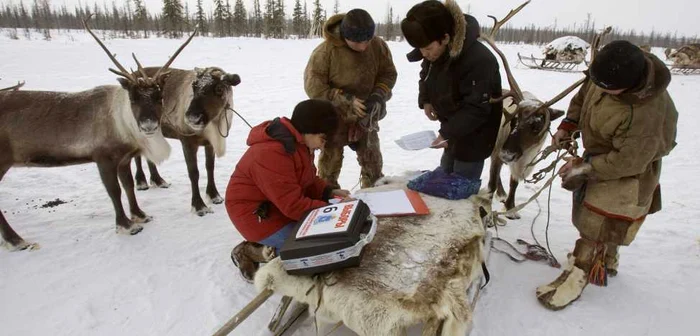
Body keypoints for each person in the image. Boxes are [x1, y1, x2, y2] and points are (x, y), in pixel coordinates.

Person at [537, 40, 678, 310]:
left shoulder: (645, 113)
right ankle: (606, 261)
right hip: (604, 154)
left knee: (599, 222)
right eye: (596, 82)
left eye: (607, 88)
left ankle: (580, 272)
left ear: (629, 85)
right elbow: (583, 97)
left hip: (631, 169)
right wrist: (569, 124)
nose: (598, 89)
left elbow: (629, 160)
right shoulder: (607, 74)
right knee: (596, 215)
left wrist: (587, 168)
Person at [226, 99, 351, 281]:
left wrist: (328, 193)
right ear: (309, 130)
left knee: (324, 240)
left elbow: (306, 179)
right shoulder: (271, 152)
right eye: (323, 139)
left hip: (278, 206)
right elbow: (292, 205)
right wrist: (332, 211)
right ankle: (250, 252)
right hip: (255, 215)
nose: (323, 146)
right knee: (311, 253)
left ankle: (271, 247)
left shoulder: (298, 144)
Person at [400, 0, 502, 185]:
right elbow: (426, 74)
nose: (424, 54)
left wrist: (447, 132)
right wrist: (426, 100)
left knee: (459, 189)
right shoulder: (437, 52)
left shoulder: (479, 60)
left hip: (474, 138)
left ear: (445, 38)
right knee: (444, 177)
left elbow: (476, 109)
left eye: (428, 48)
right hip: (452, 131)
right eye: (420, 49)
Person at [304, 8, 397, 189]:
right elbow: (314, 87)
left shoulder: (377, 46)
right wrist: (346, 101)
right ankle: (328, 199)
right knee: (329, 166)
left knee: (373, 163)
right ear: (345, 37)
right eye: (357, 42)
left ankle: (374, 197)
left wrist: (378, 95)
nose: (363, 47)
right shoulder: (325, 52)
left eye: (367, 41)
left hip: (367, 114)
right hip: (334, 117)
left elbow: (388, 74)